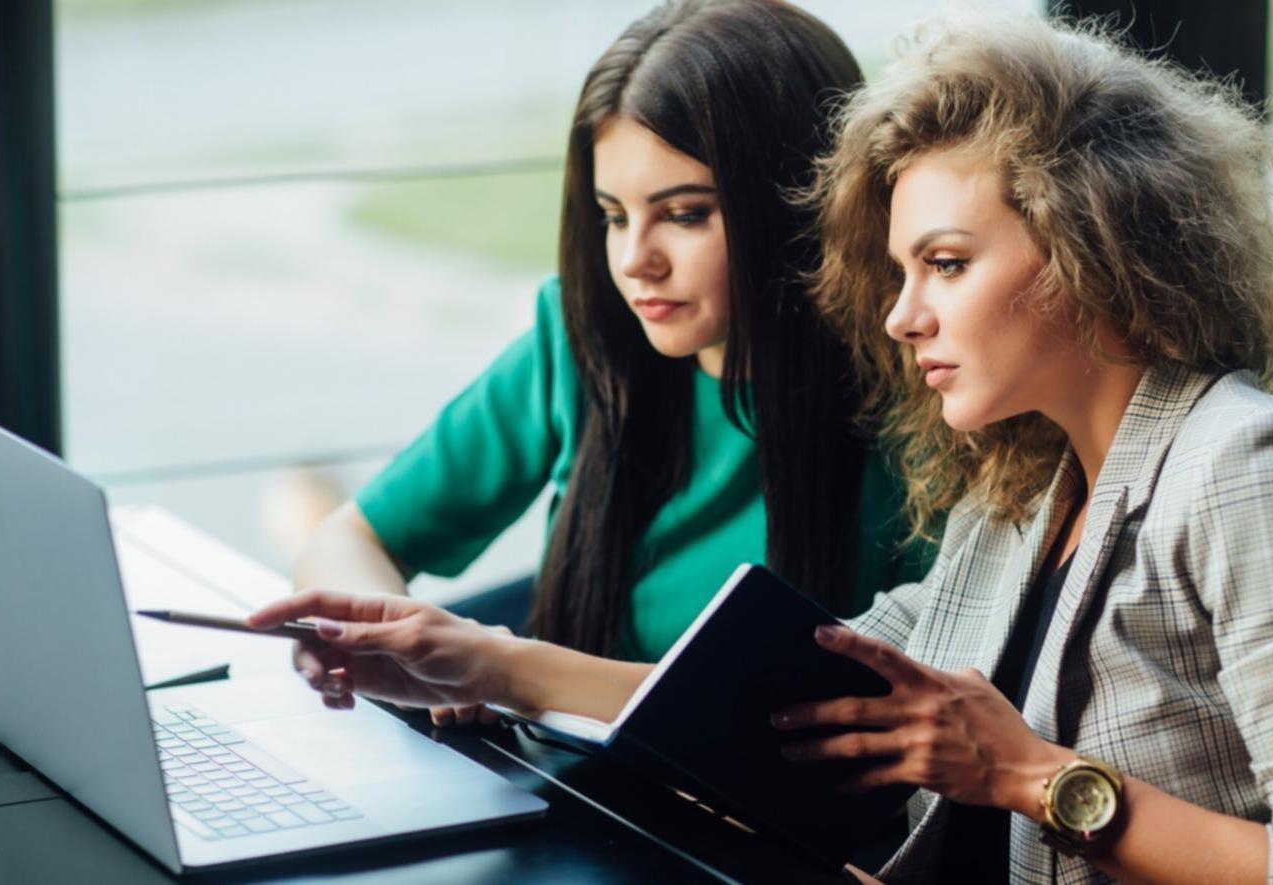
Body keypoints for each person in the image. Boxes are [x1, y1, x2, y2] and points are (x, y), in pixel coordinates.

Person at [254, 13, 1273, 882]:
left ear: (1090, 249)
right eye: (898, 273)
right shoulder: (1015, 497)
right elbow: (775, 692)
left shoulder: (1252, 467)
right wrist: (479, 659)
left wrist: (1033, 779)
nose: (898, 317)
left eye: (942, 264)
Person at [291, 0, 930, 727]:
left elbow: (806, 718)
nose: (634, 261)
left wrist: (506, 668)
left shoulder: (917, 390)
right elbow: (351, 540)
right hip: (564, 794)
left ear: (802, 197)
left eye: (685, 213)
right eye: (613, 215)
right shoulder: (584, 333)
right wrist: (428, 656)